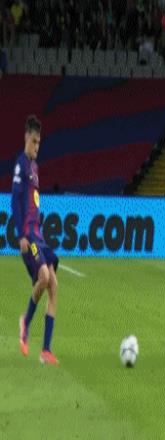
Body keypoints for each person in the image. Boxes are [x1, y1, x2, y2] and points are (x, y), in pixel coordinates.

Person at [12, 115, 60, 365]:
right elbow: (14, 201)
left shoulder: (35, 167)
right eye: (33, 141)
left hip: (38, 235)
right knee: (43, 276)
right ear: (26, 138)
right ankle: (25, 322)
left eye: (39, 142)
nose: (36, 146)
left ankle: (46, 350)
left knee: (53, 285)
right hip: (28, 235)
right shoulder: (21, 165)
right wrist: (21, 234)